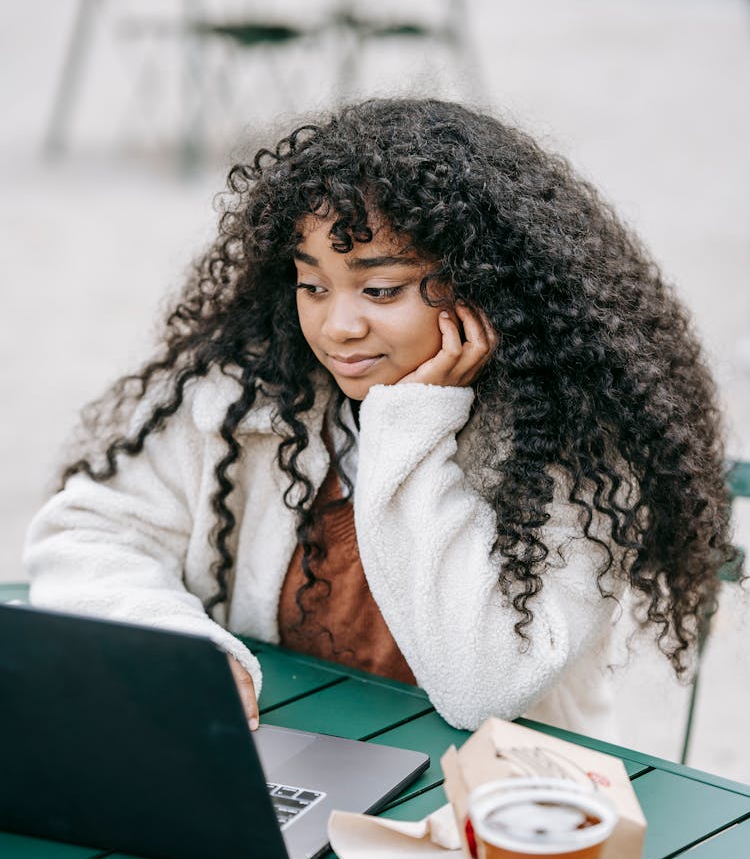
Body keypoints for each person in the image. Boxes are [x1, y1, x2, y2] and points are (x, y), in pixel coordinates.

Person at [24, 98, 735, 742]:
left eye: (381, 287)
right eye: (312, 284)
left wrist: (413, 427)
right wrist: (187, 653)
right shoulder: (251, 394)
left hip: (493, 812)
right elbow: (89, 528)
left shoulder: (573, 449)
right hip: (284, 768)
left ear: (483, 286)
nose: (337, 326)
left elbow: (482, 685)